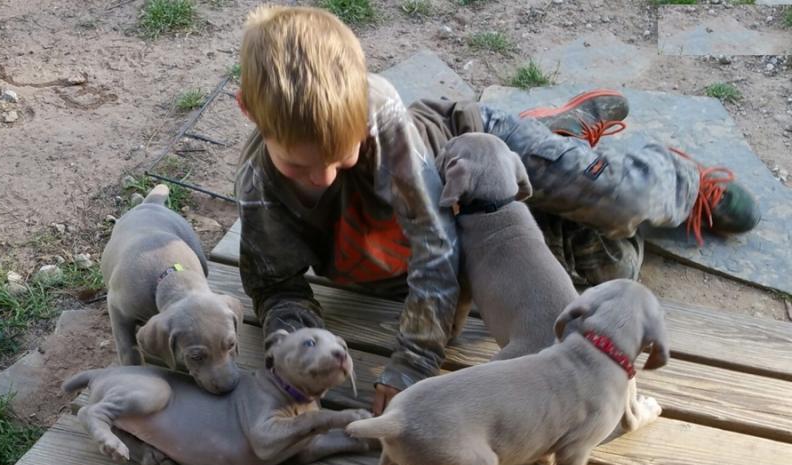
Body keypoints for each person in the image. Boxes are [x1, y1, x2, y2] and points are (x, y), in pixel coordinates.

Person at [234, 5, 760, 414]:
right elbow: (276, 288)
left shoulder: (385, 121)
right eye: (300, 166)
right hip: (460, 244)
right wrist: (292, 358)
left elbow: (434, 246)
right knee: (614, 268)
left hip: (477, 153)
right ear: (249, 111)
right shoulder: (258, 186)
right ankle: (561, 135)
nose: (323, 177)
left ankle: (678, 179)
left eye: (342, 156)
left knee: (625, 203)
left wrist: (414, 362)